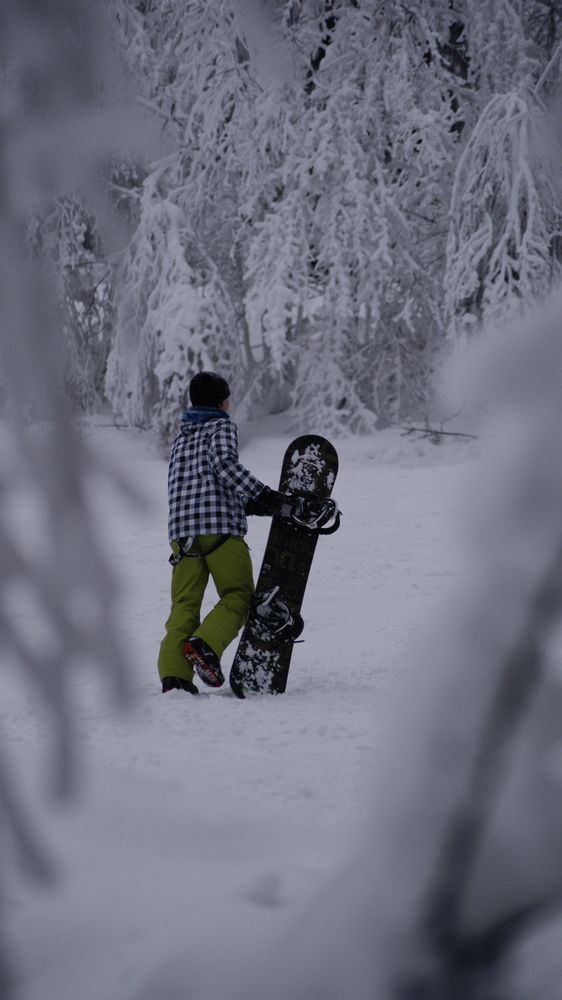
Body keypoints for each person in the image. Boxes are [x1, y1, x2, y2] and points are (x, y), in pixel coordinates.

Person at [158, 371, 288, 695]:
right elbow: (225, 466)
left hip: (182, 535)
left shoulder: (182, 436)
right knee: (239, 596)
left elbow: (197, 487)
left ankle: (174, 677)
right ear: (221, 401)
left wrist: (248, 505)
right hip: (219, 532)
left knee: (184, 605)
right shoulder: (221, 425)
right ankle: (205, 645)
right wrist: (264, 495)